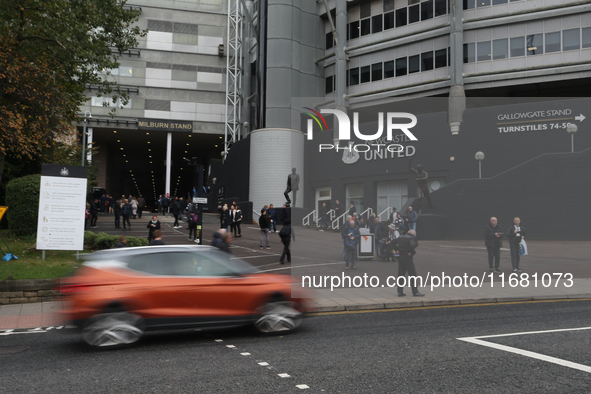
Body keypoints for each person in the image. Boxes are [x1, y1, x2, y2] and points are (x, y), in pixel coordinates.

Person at [396, 229, 424, 297]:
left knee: (401, 274)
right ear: (413, 234)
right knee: (412, 275)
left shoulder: (401, 237)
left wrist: (397, 250)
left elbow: (393, 242)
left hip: (401, 257)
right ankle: (415, 292)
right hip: (407, 257)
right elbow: (413, 245)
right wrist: (411, 252)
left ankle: (400, 291)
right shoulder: (411, 238)